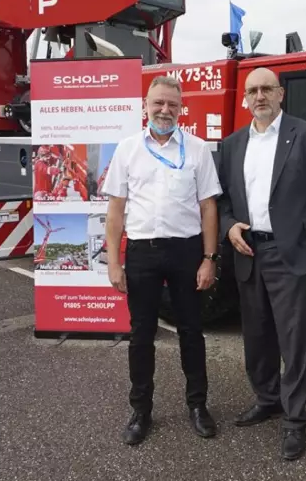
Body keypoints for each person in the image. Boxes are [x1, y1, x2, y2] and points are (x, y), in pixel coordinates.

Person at [217, 67, 306, 460]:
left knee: (295, 341)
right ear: (245, 98)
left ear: (280, 94)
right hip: (248, 252)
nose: (260, 96)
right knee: (256, 336)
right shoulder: (233, 144)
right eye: (252, 90)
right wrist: (228, 227)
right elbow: (222, 201)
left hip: (292, 256)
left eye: (267, 89)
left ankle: (295, 420)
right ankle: (267, 398)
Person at [103, 75, 223, 446]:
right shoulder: (127, 149)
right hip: (142, 252)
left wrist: (209, 259)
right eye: (158, 103)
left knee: (191, 331)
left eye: (172, 104)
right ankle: (141, 411)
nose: (165, 110)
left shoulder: (199, 149)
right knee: (141, 335)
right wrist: (113, 261)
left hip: (187, 252)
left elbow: (208, 208)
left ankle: (198, 406)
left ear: (181, 107)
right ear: (146, 105)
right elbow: (116, 209)